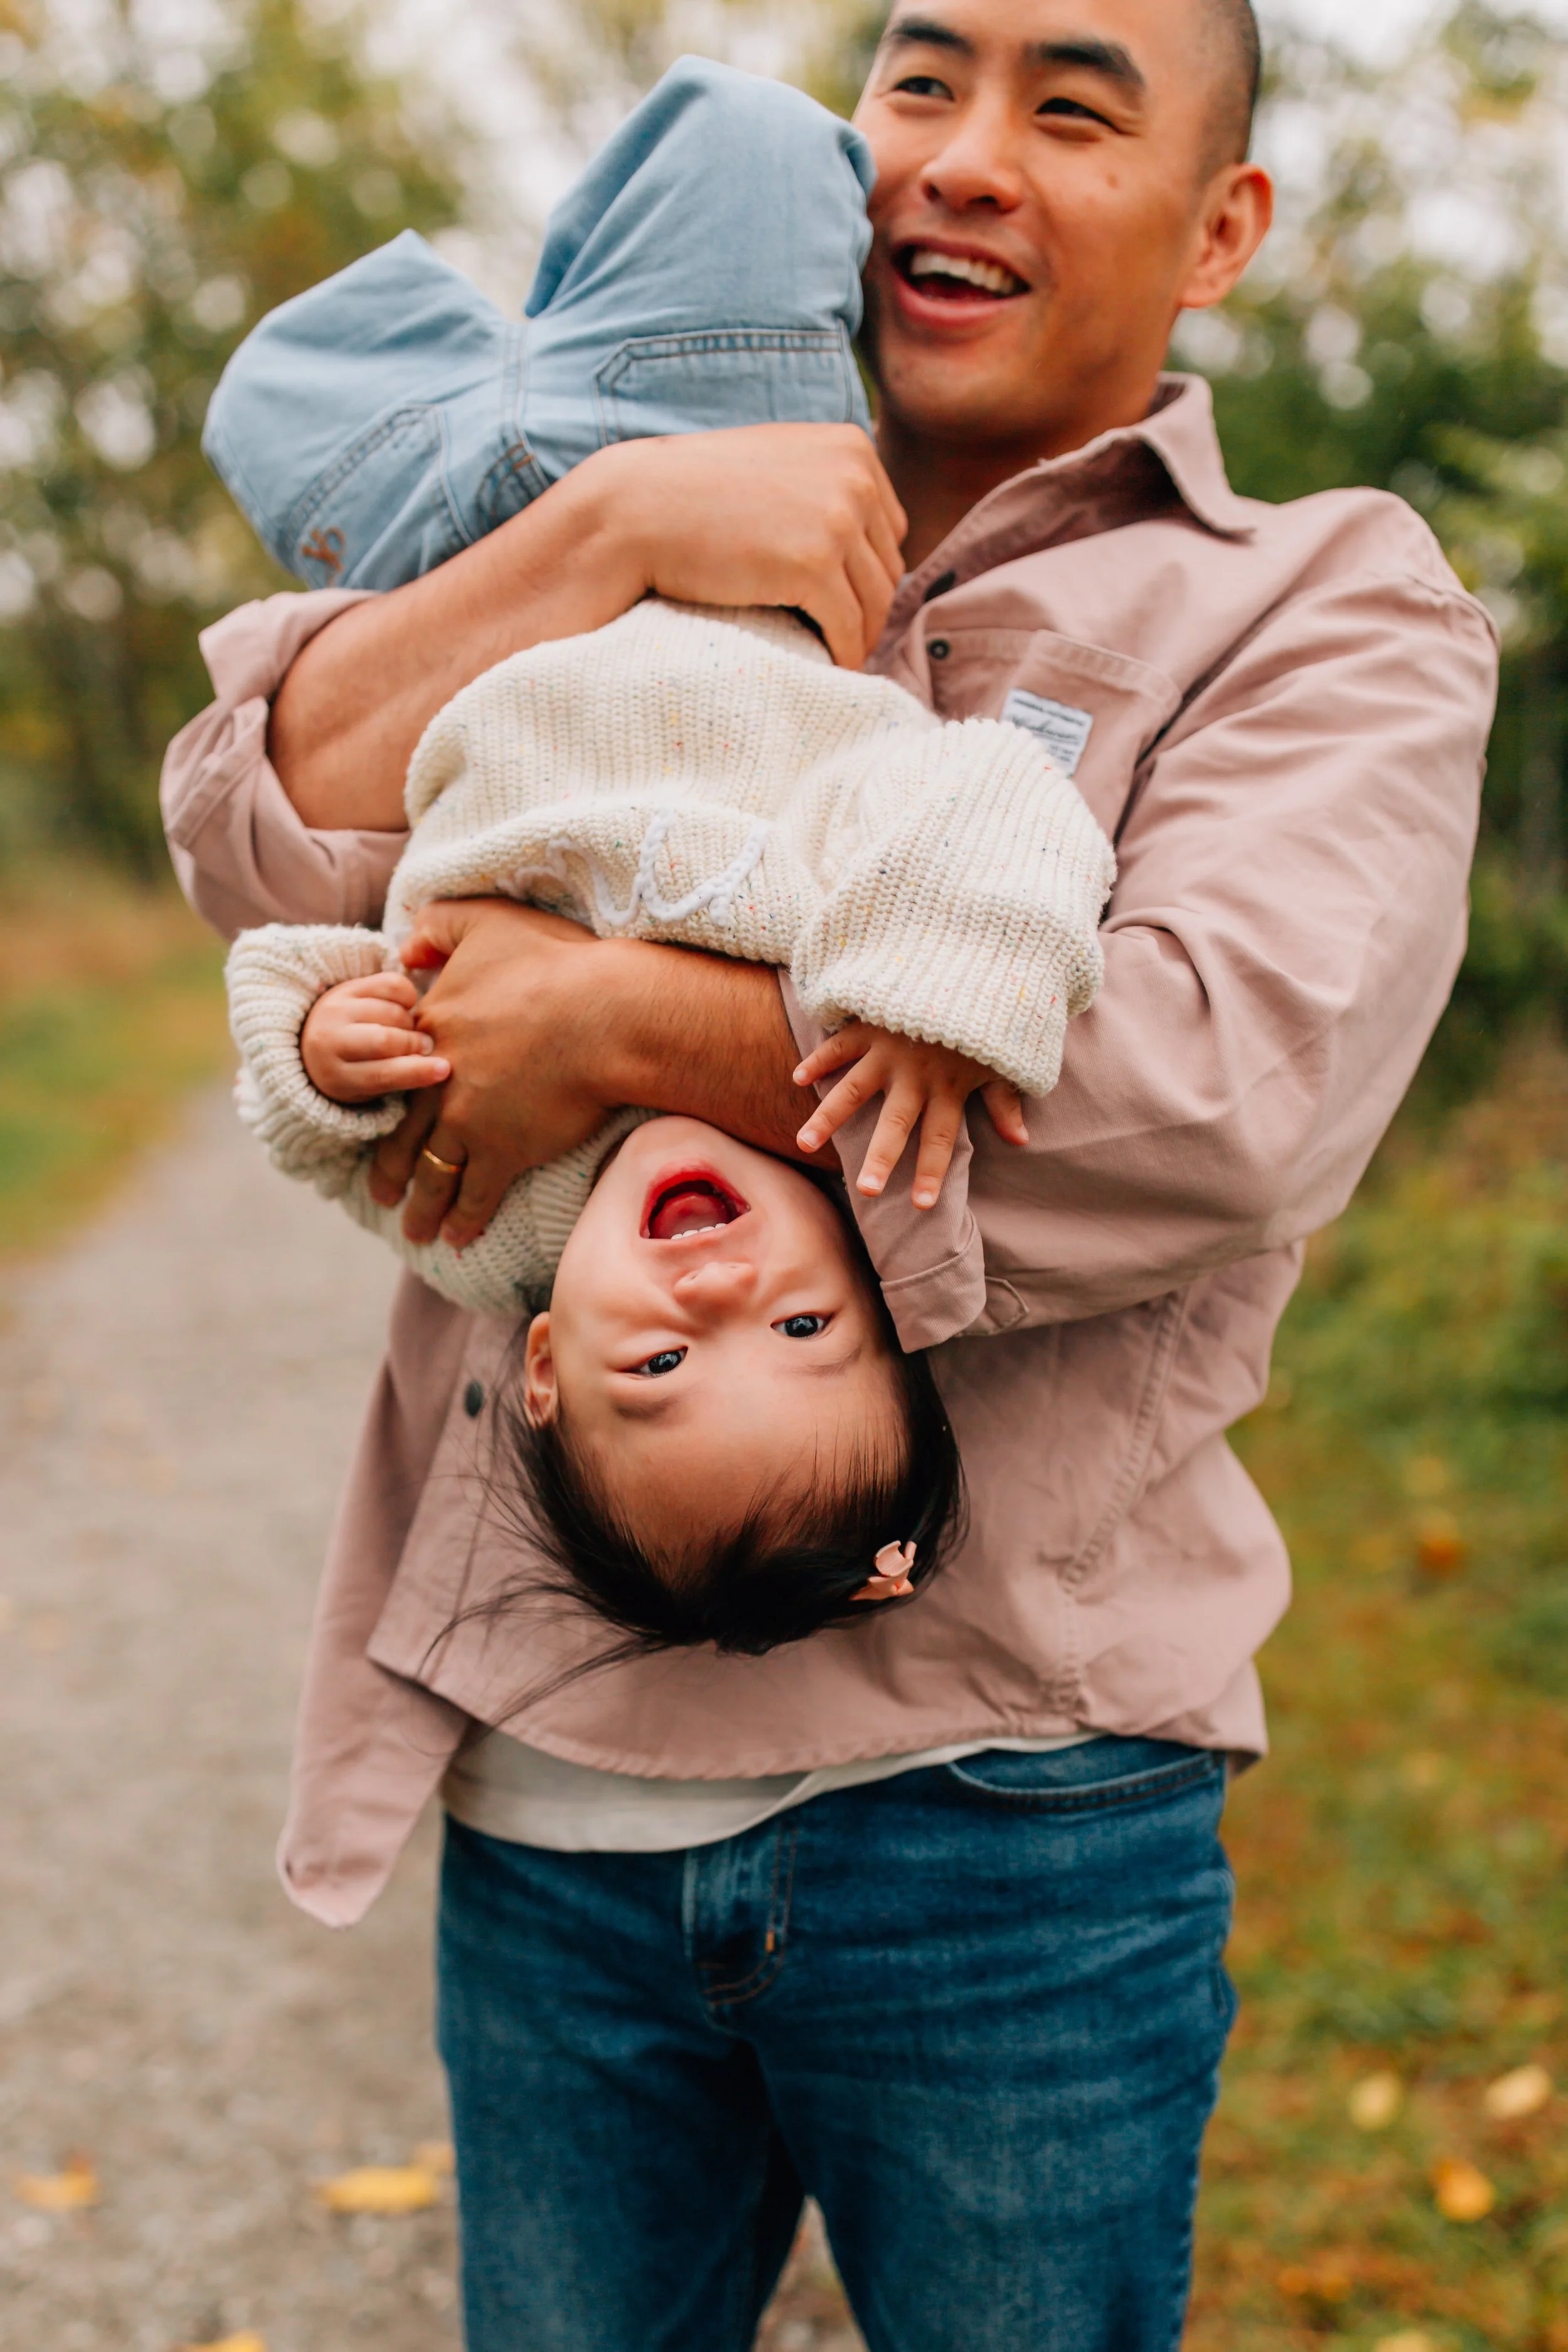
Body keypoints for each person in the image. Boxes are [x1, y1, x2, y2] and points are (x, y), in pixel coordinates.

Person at [160, 2, 1499, 2345]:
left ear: (1223, 228)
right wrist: (608, 525)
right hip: (556, 1778)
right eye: (920, 82)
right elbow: (257, 805)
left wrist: (599, 1026)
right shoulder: (643, 456)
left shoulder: (1321, 600)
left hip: (1015, 1812)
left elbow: (1201, 1099)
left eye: (1070, 108)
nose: (963, 158)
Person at [211, 61, 1112, 1649]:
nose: (718, 1299)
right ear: (881, 1293)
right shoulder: (834, 968)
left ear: (545, 1367)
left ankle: (506, 422)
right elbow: (996, 798)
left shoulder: (493, 1226)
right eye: (806, 1323)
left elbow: (299, 1011)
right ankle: (538, 408)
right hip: (727, 467)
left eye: (661, 1370)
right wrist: (925, 1000)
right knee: (748, 135)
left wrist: (320, 1047)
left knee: (268, 395)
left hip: (465, 572)